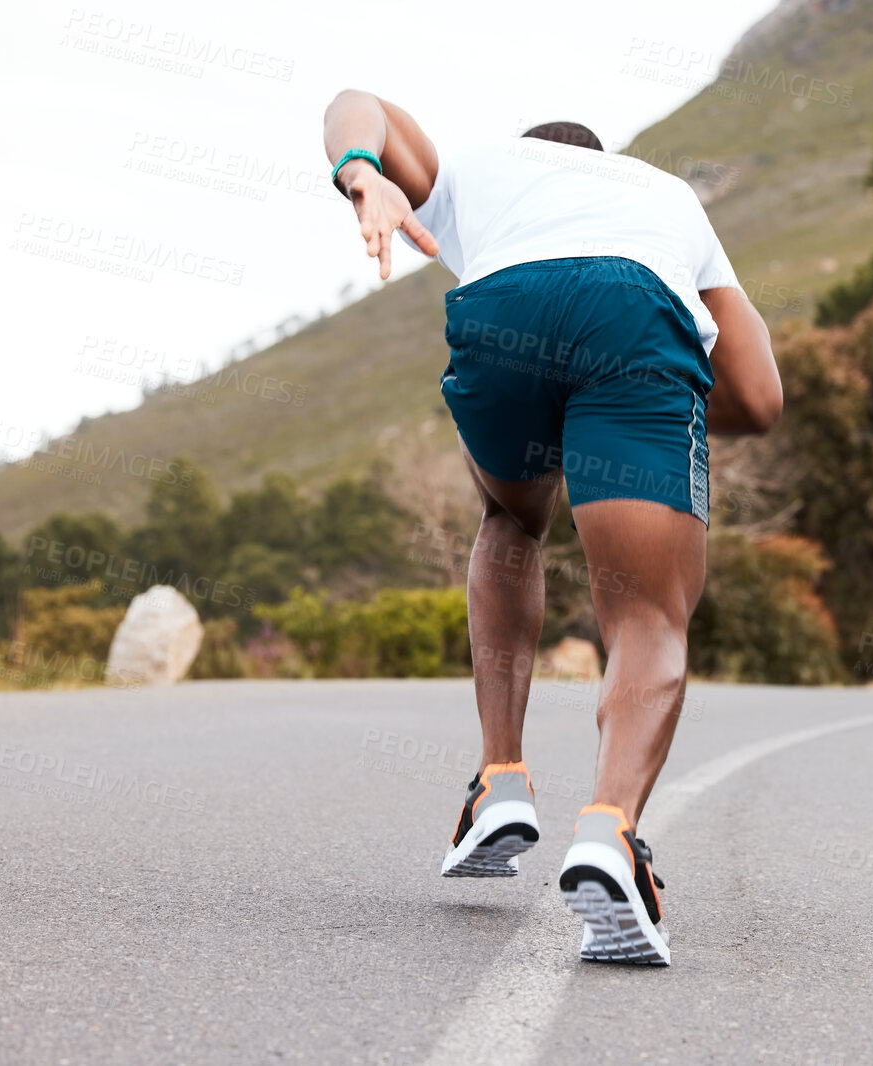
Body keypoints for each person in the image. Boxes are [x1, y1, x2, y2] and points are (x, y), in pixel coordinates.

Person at [322, 91, 781, 965]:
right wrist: (645, 413)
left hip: (505, 312)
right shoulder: (666, 198)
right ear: (603, 160)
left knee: (509, 517)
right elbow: (758, 398)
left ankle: (500, 778)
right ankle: (609, 831)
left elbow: (356, 104)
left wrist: (361, 177)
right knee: (647, 614)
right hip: (631, 316)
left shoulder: (480, 169)